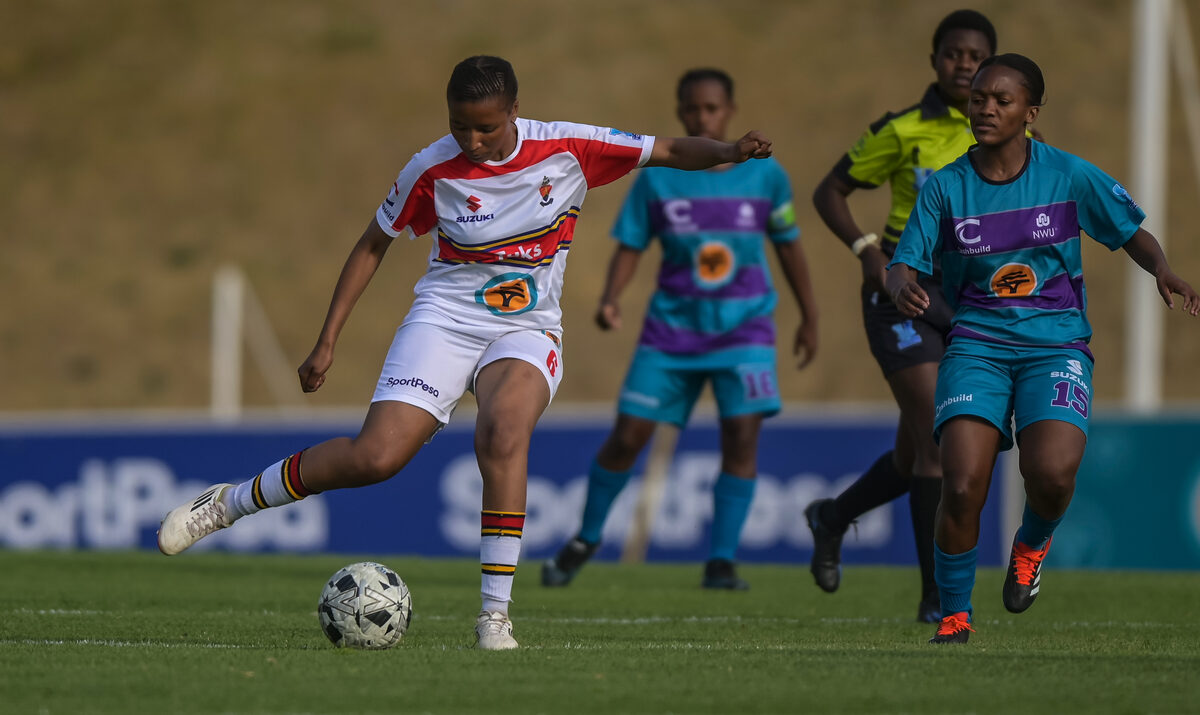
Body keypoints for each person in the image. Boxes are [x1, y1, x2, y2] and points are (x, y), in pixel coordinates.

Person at [155, 55, 777, 650]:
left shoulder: (568, 146)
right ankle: (228, 502)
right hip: (446, 319)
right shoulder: (431, 168)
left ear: (514, 112)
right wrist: (327, 339)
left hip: (528, 326)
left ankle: (494, 617)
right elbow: (374, 244)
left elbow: (664, 151)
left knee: (503, 432)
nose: (471, 141)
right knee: (376, 458)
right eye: (459, 126)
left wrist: (726, 152)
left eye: (485, 127)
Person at [886, 53, 1199, 644]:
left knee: (1052, 474)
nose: (986, 108)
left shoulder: (1068, 175)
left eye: (1002, 100)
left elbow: (1130, 231)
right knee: (960, 484)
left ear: (1030, 112)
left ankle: (1030, 548)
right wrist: (901, 285)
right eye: (979, 98)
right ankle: (954, 616)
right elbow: (902, 264)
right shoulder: (947, 188)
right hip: (976, 344)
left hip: (1055, 347)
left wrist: (1163, 269)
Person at [540, 68, 818, 591]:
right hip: (671, 332)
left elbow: (789, 244)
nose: (702, 117)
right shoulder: (659, 176)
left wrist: (810, 314)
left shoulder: (766, 175)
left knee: (741, 437)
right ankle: (586, 538)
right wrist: (609, 298)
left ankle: (721, 562)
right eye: (692, 110)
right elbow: (632, 244)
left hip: (745, 329)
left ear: (729, 110)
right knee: (627, 437)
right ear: (680, 112)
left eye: (712, 109)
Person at [806, 9, 999, 623]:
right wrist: (867, 252)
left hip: (972, 296)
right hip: (903, 288)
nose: (964, 64)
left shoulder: (1007, 136)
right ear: (935, 60)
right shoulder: (904, 129)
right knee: (940, 440)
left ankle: (832, 516)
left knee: (913, 451)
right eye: (953, 54)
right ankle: (935, 599)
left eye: (976, 56)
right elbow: (829, 191)